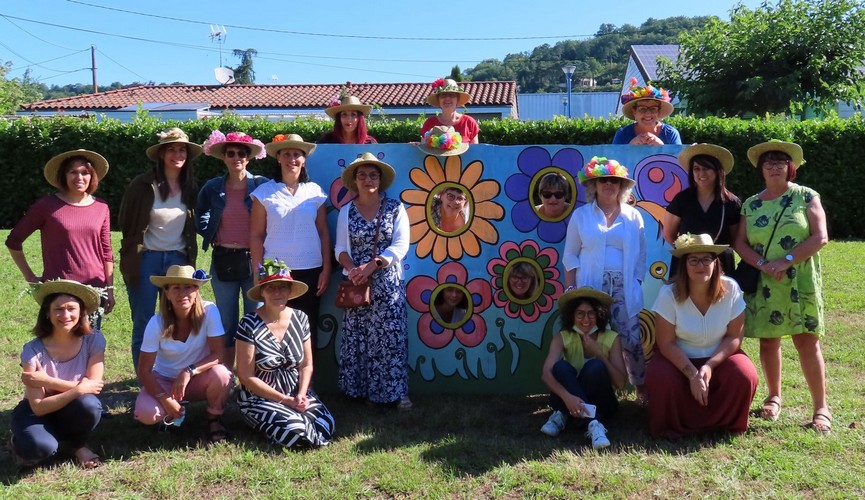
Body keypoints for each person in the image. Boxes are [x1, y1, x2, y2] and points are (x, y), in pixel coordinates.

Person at [733, 140, 831, 434]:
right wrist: (764, 265)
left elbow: (820, 236)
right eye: (768, 162)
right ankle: (774, 397)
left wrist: (785, 261)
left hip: (799, 279)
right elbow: (740, 243)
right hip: (766, 280)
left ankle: (821, 408)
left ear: (791, 168)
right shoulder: (750, 204)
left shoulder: (806, 196)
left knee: (806, 341)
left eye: (780, 162)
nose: (774, 167)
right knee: (768, 340)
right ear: (761, 169)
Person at [646, 233, 758, 438]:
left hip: (719, 357)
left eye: (707, 259)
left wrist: (709, 366)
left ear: (716, 263)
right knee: (660, 377)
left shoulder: (731, 288)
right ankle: (672, 427)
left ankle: (726, 424)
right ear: (684, 265)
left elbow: (734, 337)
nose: (701, 265)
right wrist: (692, 374)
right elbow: (666, 343)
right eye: (693, 260)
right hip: (678, 358)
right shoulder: (668, 294)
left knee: (744, 374)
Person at [563, 157, 647, 404]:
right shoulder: (581, 216)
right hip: (590, 286)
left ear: (622, 187)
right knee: (590, 337)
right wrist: (572, 289)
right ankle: (588, 391)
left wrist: (636, 282)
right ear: (594, 185)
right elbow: (570, 254)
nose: (609, 185)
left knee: (631, 339)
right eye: (603, 181)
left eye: (615, 181)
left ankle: (640, 388)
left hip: (624, 287)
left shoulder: (634, 216)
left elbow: (642, 255)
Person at [119, 128, 201, 371]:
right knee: (144, 322)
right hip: (146, 260)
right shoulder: (143, 185)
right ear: (162, 154)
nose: (177, 154)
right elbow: (125, 220)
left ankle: (169, 372)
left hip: (179, 260)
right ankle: (144, 378)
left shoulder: (190, 187)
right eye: (171, 149)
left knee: (178, 320)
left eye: (182, 149)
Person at [335, 152, 411, 410]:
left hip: (388, 285)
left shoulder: (395, 208)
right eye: (362, 175)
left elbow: (401, 245)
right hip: (357, 285)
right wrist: (352, 269)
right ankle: (359, 392)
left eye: (373, 175)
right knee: (358, 339)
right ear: (355, 180)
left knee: (390, 339)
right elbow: (340, 248)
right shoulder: (346, 211)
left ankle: (395, 392)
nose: (368, 179)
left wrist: (372, 266)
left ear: (380, 180)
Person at [6, 149, 115, 328]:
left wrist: (109, 289)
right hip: (59, 289)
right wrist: (31, 278)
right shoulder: (47, 206)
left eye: (85, 172)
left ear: (92, 176)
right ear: (63, 175)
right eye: (73, 172)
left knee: (90, 341)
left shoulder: (101, 207)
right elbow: (13, 241)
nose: (79, 177)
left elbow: (106, 252)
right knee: (57, 342)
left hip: (94, 290)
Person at [235, 259, 335, 448]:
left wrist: (302, 394)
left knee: (326, 424)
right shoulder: (248, 323)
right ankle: (282, 427)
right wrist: (285, 400)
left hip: (295, 394)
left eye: (282, 287)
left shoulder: (301, 318)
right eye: (270, 288)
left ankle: (294, 428)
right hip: (259, 397)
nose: (277, 293)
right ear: (262, 292)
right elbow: (245, 376)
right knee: (297, 429)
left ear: (290, 291)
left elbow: (306, 364)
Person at [9, 279, 105, 468]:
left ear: (81, 312)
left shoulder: (93, 340)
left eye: (71, 308)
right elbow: (38, 407)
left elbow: (94, 387)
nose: (66, 315)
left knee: (90, 405)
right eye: (58, 309)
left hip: (71, 407)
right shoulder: (32, 351)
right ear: (47, 312)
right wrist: (79, 389)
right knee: (40, 448)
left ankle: (77, 445)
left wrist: (47, 381)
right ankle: (16, 441)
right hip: (36, 412)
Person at [133, 266, 232, 443]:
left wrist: (189, 371)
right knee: (146, 414)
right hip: (165, 380)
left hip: (197, 378)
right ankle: (168, 413)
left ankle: (214, 419)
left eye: (188, 287)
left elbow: (218, 355)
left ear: (196, 290)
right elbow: (144, 370)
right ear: (167, 293)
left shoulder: (210, 311)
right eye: (176, 288)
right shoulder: (156, 322)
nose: (182, 294)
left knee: (222, 375)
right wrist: (165, 399)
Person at [251, 134, 331, 349]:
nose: (292, 159)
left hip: (310, 268)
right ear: (278, 158)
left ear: (304, 160)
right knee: (274, 324)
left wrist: (326, 268)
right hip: (275, 270)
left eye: (297, 154)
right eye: (286, 154)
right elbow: (256, 235)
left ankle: (308, 371)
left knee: (308, 325)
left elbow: (323, 232)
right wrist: (257, 271)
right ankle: (276, 369)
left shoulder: (315, 192)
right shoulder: (263, 193)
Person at [197, 130, 269, 369]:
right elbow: (200, 212)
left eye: (241, 153)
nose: (236, 157)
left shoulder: (261, 185)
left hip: (255, 260)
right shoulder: (212, 187)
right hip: (224, 259)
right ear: (224, 157)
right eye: (231, 153)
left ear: (248, 158)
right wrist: (211, 232)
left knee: (256, 320)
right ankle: (226, 375)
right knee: (226, 322)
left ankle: (252, 375)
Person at [539, 287, 626, 449]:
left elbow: (620, 383)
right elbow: (546, 374)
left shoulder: (612, 338)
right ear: (572, 316)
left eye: (591, 313)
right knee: (560, 367)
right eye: (580, 313)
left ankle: (564, 415)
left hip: (602, 402)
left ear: (599, 315)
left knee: (595, 366)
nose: (586, 319)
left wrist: (599, 353)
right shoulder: (562, 337)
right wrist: (567, 397)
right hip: (569, 401)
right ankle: (593, 423)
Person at [664, 144, 741, 278]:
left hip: (720, 265)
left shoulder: (731, 203)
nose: (701, 174)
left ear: (718, 171)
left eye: (706, 168)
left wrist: (710, 258)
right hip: (687, 264)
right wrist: (690, 254)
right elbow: (669, 234)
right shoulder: (681, 199)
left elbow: (735, 240)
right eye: (696, 169)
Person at [613, 77, 681, 145]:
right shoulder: (622, 134)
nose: (648, 114)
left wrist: (661, 147)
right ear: (634, 112)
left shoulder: (671, 134)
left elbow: (679, 152)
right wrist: (630, 147)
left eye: (653, 109)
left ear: (659, 112)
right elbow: (614, 152)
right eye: (642, 109)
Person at [421, 78, 479, 144]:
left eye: (452, 95)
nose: (447, 98)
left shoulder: (469, 123)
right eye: (443, 95)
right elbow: (423, 148)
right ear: (438, 100)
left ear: (457, 100)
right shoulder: (429, 123)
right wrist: (415, 146)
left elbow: (476, 149)